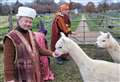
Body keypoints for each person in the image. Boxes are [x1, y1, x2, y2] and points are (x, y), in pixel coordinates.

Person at [3, 6, 60, 82]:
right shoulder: (10, 38)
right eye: (25, 21)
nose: (28, 24)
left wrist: (52, 53)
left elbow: (39, 49)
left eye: (30, 22)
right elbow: (8, 62)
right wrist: (10, 79)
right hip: (21, 75)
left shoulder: (31, 34)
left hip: (35, 72)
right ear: (18, 19)